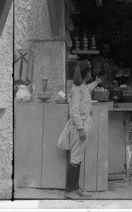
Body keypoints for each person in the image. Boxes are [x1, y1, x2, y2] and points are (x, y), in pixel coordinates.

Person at [57, 60, 101, 199]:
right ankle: (69, 191)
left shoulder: (82, 87)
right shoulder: (77, 89)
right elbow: (74, 110)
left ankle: (76, 188)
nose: (91, 75)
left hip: (83, 123)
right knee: (75, 157)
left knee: (78, 156)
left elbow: (88, 88)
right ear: (87, 73)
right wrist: (81, 129)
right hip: (79, 126)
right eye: (90, 72)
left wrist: (97, 82)